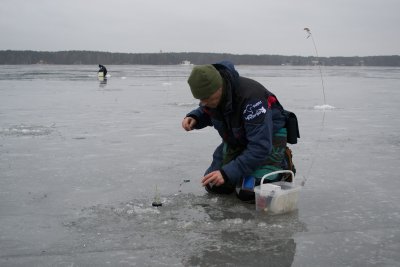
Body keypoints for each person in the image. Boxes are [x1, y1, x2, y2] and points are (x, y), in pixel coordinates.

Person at [182, 61, 295, 202]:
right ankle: (240, 165)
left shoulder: (252, 100)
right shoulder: (213, 98)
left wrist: (227, 173)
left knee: (248, 192)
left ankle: (281, 163)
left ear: (219, 87)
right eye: (201, 100)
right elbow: (208, 110)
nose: (204, 103)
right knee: (215, 186)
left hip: (267, 139)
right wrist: (196, 117)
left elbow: (260, 147)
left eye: (207, 99)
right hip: (238, 139)